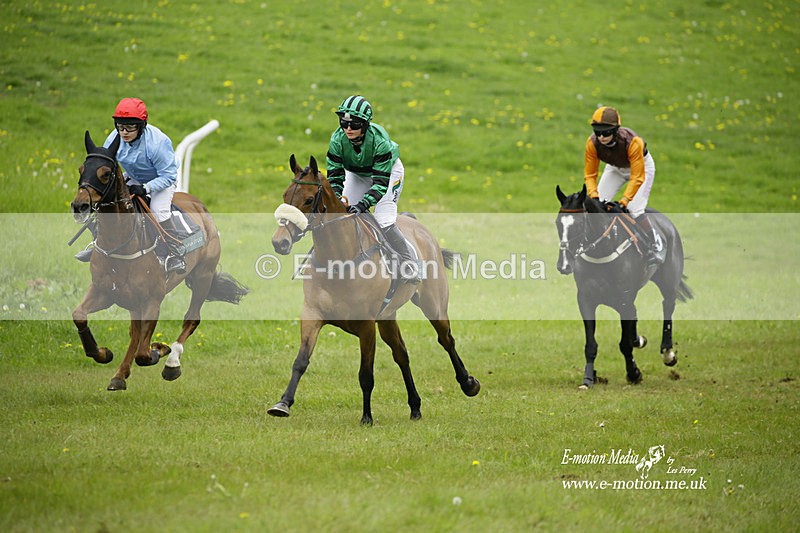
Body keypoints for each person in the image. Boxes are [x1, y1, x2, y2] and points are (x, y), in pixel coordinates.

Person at [76, 97, 186, 274]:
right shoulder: (115, 137)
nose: (124, 132)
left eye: (130, 127)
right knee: (107, 203)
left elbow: (168, 175)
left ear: (141, 125)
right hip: (133, 177)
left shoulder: (157, 143)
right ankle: (97, 243)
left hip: (161, 180)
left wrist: (146, 188)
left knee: (158, 210)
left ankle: (174, 253)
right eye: (120, 126)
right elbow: (107, 165)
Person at [325, 95, 420, 282]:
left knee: (383, 219)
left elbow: (380, 184)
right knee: (342, 216)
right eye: (344, 123)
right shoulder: (336, 140)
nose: (348, 129)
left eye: (355, 124)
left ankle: (409, 264)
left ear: (365, 124)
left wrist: (362, 205)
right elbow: (335, 177)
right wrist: (338, 198)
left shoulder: (380, 142)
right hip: (356, 173)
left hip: (388, 174)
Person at [583, 106, 663, 266]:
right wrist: (594, 197)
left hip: (641, 168)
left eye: (606, 132)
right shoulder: (591, 143)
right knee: (595, 208)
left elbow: (637, 177)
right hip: (614, 168)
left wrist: (623, 202)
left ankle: (655, 244)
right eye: (597, 132)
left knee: (633, 210)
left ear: (616, 130)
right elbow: (590, 175)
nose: (601, 137)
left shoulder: (633, 142)